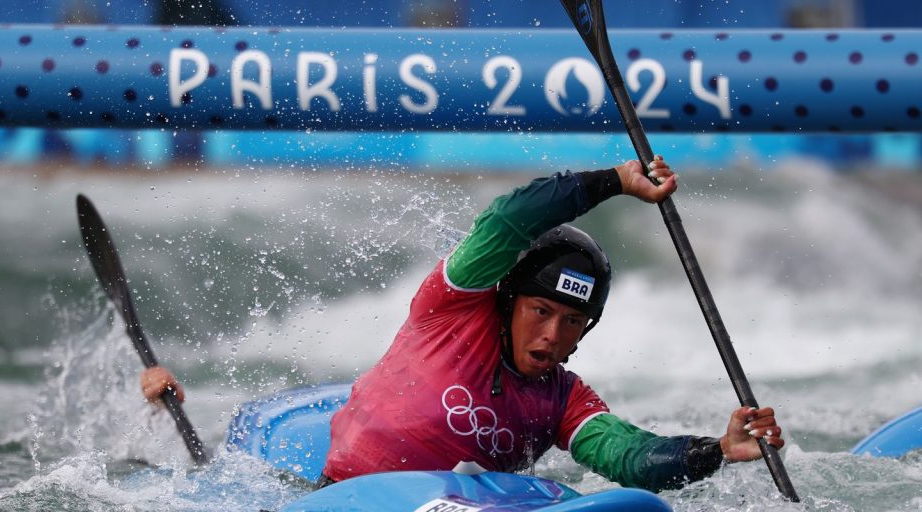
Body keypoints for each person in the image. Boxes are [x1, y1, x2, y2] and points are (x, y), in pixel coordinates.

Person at [141, 157, 786, 492]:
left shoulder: (566, 401)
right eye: (541, 312)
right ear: (509, 303)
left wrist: (714, 452)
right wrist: (615, 180)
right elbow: (510, 218)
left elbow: (629, 456)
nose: (552, 337)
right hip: (346, 493)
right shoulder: (451, 309)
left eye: (572, 323)